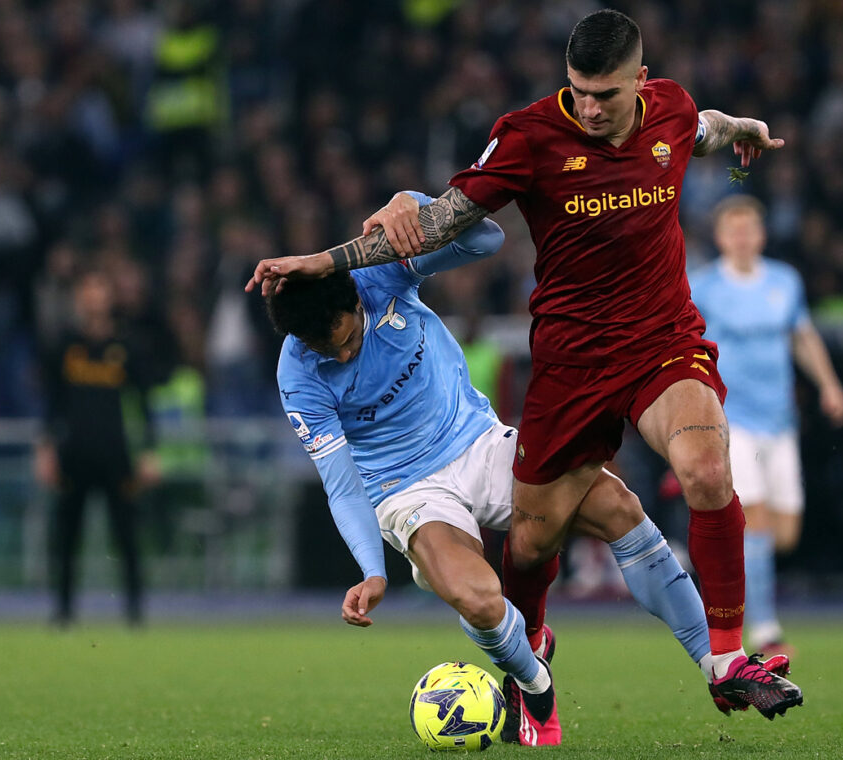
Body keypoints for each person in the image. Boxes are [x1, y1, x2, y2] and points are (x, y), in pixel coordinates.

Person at [247, 9, 802, 720]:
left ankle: (726, 659)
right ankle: (531, 657)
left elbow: (702, 129)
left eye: (605, 94)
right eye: (578, 91)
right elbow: (450, 222)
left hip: (659, 339)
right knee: (535, 540)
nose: (590, 108)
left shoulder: (671, 107)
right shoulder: (530, 135)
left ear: (641, 79)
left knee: (702, 469)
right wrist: (329, 257)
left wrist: (744, 130)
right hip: (569, 363)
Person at [267, 192, 738, 746]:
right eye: (327, 351)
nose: (342, 357)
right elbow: (341, 482)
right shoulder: (298, 376)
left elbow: (484, 238)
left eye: (347, 339)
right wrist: (371, 570)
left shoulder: (378, 277)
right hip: (405, 487)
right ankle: (535, 683)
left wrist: (416, 206)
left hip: (479, 441)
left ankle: (716, 664)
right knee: (479, 597)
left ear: (355, 302)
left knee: (619, 507)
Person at [688, 195, 843, 654]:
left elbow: (802, 337)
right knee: (755, 525)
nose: (741, 238)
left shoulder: (785, 281)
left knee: (783, 533)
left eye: (749, 229)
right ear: (720, 237)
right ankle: (764, 631)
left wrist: (830, 385)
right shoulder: (702, 286)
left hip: (780, 420)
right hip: (731, 419)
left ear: (761, 234)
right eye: (732, 230)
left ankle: (707, 563)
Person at [35, 270, 159, 627]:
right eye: (86, 289)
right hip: (73, 454)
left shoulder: (126, 346)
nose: (93, 297)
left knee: (126, 536)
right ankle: (62, 612)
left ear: (109, 298)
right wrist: (44, 449)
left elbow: (144, 401)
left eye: (99, 289)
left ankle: (135, 612)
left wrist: (149, 450)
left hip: (115, 454)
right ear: (78, 297)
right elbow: (52, 402)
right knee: (66, 536)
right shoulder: (64, 345)